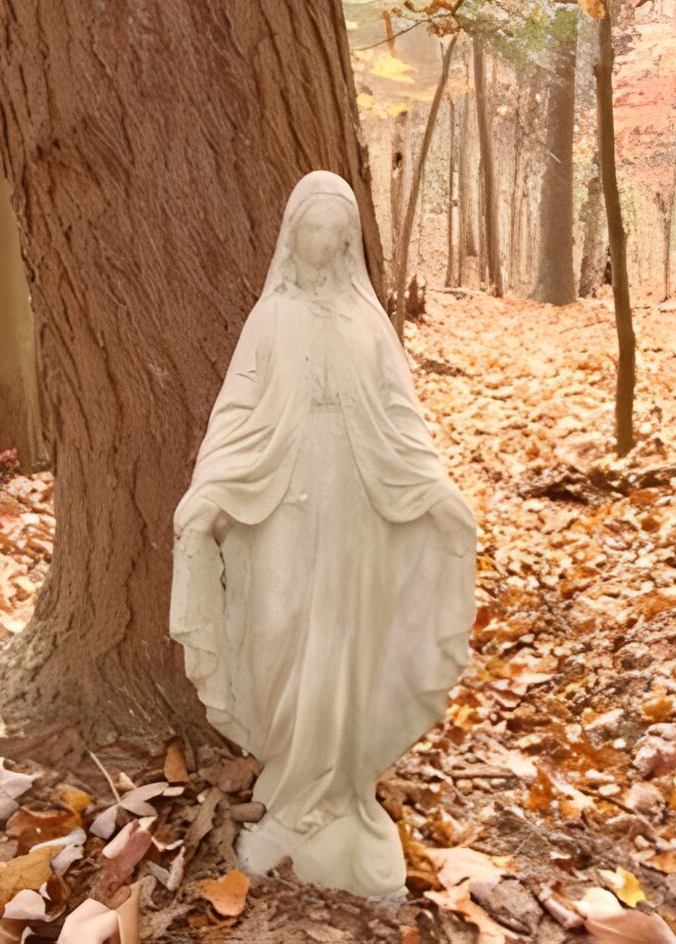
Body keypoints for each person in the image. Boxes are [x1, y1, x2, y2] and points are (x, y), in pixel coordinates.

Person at [170, 171, 476, 897]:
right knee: (277, 631)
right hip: (283, 504)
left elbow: (402, 418)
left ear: (346, 246)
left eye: (335, 236)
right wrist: (210, 491)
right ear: (291, 237)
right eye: (310, 231)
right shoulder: (269, 322)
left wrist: (436, 489)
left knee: (344, 644)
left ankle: (334, 795)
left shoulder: (369, 325)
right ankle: (290, 783)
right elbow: (237, 411)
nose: (321, 245)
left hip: (356, 511)